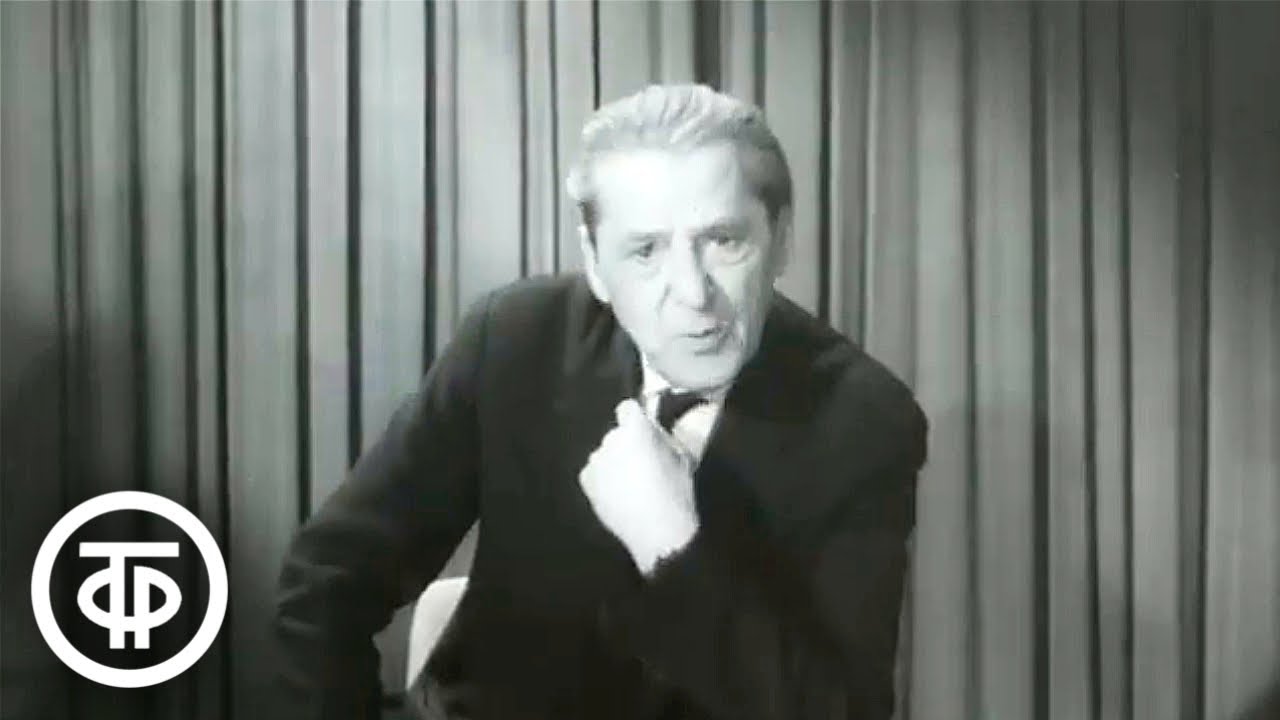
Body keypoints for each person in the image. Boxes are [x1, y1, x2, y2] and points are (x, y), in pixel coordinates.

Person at [272, 84, 928, 720]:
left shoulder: (863, 419)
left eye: (724, 241)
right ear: (594, 262)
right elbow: (326, 578)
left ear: (781, 240)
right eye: (645, 250)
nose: (692, 293)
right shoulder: (515, 340)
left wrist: (674, 546)